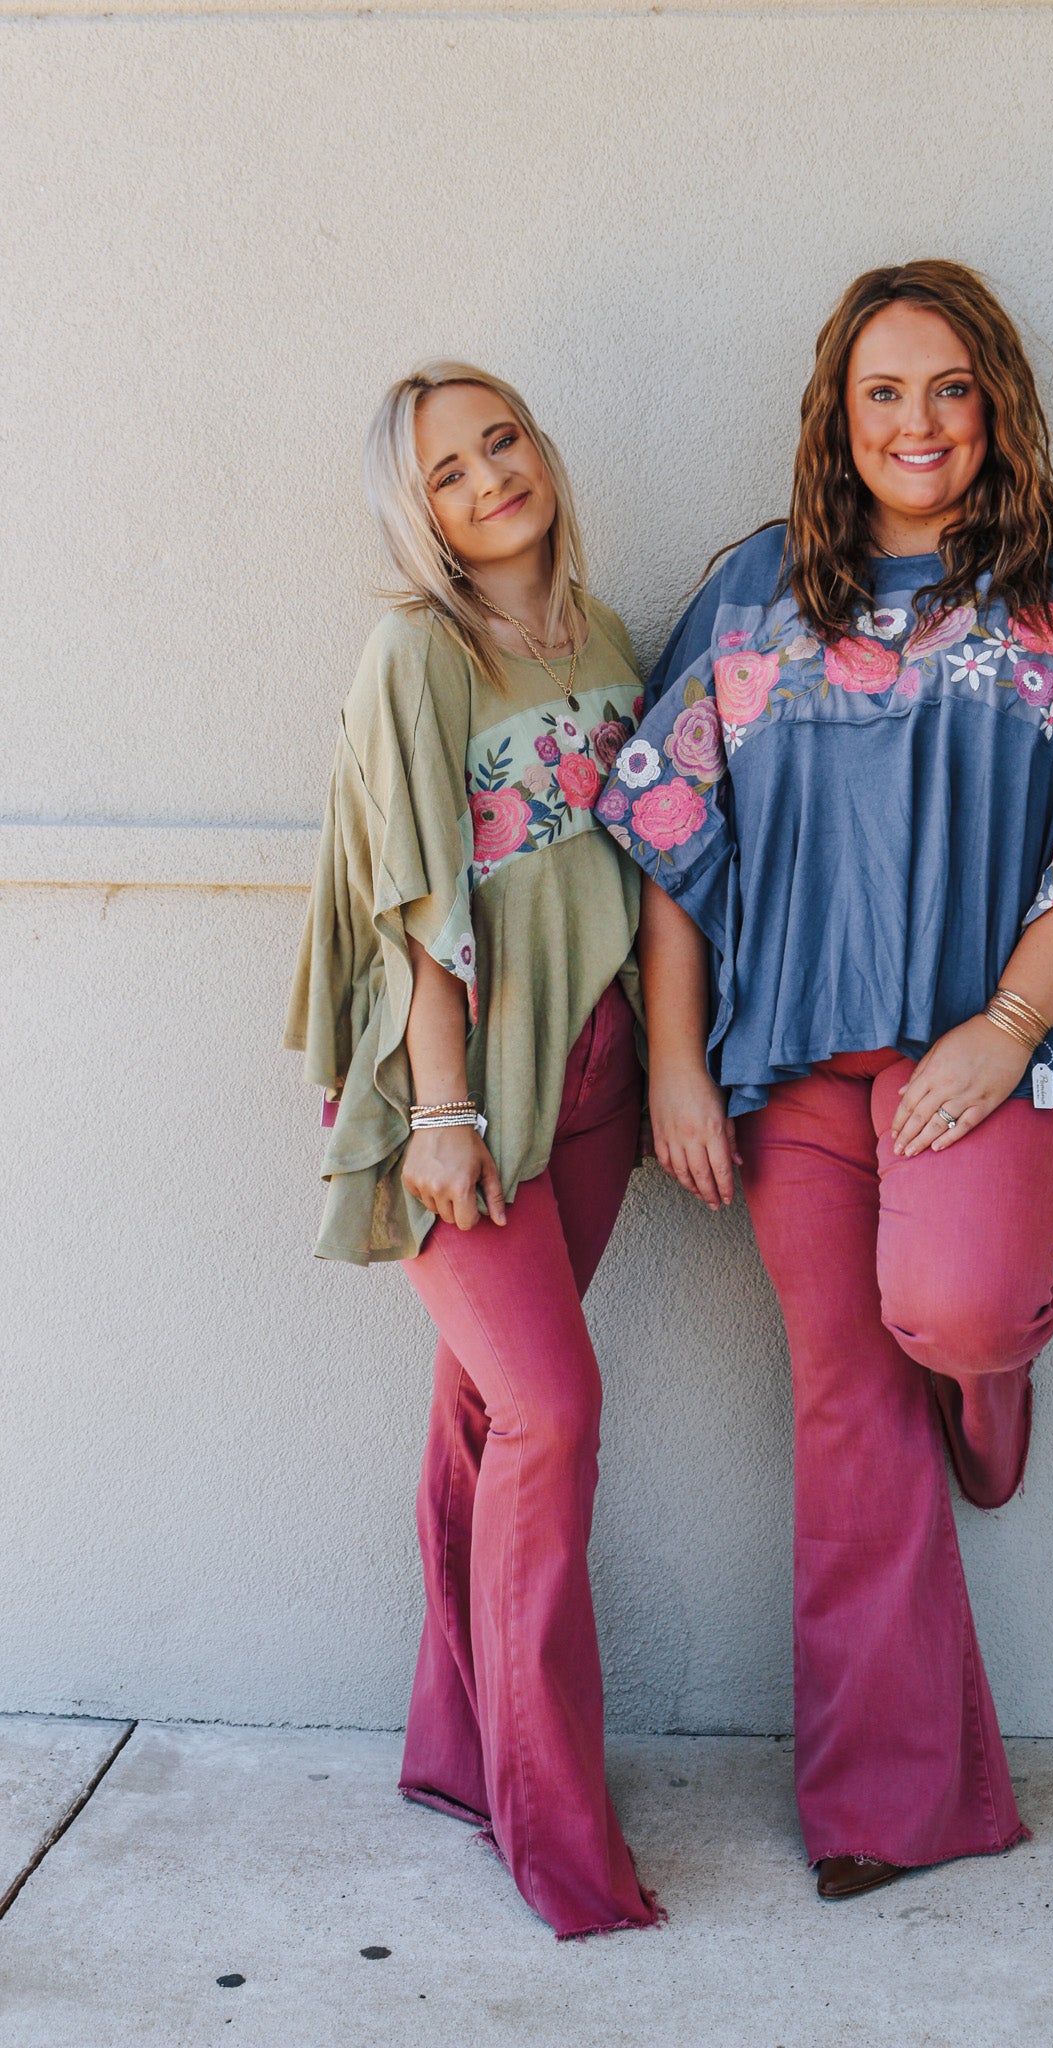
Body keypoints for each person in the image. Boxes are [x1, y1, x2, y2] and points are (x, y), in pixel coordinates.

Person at [598, 261, 1053, 1901]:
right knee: (844, 1413)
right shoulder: (758, 587)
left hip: (985, 1047)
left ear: (996, 394)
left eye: (947, 385)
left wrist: (1010, 1026)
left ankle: (991, 1376)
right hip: (796, 1060)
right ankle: (889, 1809)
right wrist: (676, 1059)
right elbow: (673, 827)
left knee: (948, 1312)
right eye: (883, 391)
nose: (917, 421)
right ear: (837, 412)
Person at [286, 362, 659, 1938]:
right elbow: (418, 905)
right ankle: (548, 1819)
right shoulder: (415, 653)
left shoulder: (606, 633)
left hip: (597, 1083)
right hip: (465, 1102)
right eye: (446, 471)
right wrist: (439, 1113)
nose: (489, 477)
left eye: (500, 440)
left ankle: (454, 1750)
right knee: (554, 1412)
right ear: (416, 512)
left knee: (483, 1420)